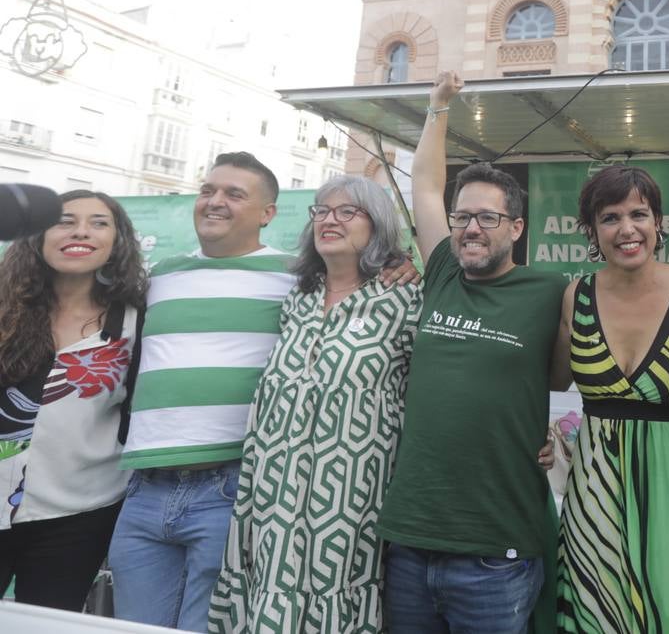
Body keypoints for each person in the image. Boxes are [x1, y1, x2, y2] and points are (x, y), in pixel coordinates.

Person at [110, 152, 415, 632]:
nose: (216, 201)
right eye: (209, 190)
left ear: (268, 213)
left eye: (234, 193)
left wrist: (403, 263)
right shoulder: (172, 276)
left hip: (263, 493)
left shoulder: (321, 283)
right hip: (187, 493)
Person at [380, 69, 567, 634]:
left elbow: (568, 379)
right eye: (463, 217)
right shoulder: (441, 274)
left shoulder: (550, 291)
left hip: (497, 548)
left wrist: (556, 437)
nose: (470, 229)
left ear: (516, 227)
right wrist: (438, 107)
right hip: (410, 539)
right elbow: (425, 186)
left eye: (487, 218)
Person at [209, 175, 421, 633]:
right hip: (269, 495)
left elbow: (437, 387)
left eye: (348, 211)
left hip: (348, 499)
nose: (330, 220)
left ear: (378, 224)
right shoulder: (297, 297)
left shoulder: (405, 297)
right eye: (322, 211)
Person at [553, 164, 669, 633]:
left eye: (639, 214)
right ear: (592, 230)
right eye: (610, 218)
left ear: (658, 223)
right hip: (593, 497)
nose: (626, 229)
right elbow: (549, 378)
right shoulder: (577, 296)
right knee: (593, 616)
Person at [0, 190, 146, 611]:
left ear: (116, 242)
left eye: (99, 222)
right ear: (37, 236)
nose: (81, 231)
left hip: (79, 515)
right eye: (65, 220)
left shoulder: (135, 322)